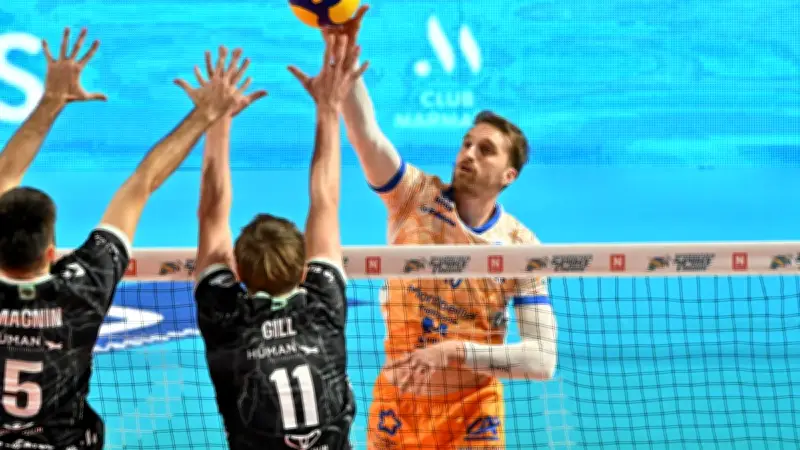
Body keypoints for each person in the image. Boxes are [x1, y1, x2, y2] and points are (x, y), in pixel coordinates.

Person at [0, 28, 260, 449]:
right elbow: (142, 183)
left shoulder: (82, 287)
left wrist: (49, 102)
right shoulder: (83, 288)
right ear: (51, 252)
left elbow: (4, 177)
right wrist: (205, 115)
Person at [323, 8, 559, 449]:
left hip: (473, 410)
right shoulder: (413, 198)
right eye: (466, 143)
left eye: (485, 150)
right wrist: (340, 45)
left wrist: (455, 351)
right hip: (400, 405)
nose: (468, 154)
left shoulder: (521, 247)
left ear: (508, 176)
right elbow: (366, 136)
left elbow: (542, 361)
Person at [192, 32, 366, 450]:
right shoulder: (322, 306)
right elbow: (325, 198)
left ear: (237, 271)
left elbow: (212, 211)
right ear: (305, 270)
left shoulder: (226, 318)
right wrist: (329, 108)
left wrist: (218, 121)